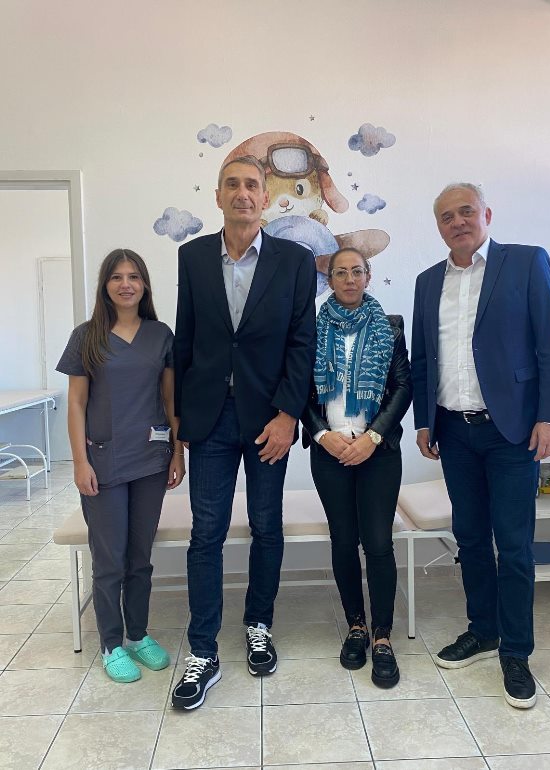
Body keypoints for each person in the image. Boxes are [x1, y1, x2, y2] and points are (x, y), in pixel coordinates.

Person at [411, 183, 550, 709]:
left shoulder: (525, 263)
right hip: (453, 431)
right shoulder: (428, 281)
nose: (457, 222)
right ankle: (483, 630)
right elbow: (422, 357)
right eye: (446, 216)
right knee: (471, 538)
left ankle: (517, 653)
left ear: (487, 214)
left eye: (466, 212)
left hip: (512, 432)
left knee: (515, 545)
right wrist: (424, 421)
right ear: (438, 226)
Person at [171, 155, 317, 710]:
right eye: (232, 184)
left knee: (265, 525)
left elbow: (301, 343)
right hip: (209, 418)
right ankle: (202, 650)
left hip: (268, 420)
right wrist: (181, 421)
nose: (242, 193)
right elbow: (186, 340)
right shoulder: (192, 257)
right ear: (218, 196)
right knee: (205, 533)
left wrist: (288, 415)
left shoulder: (295, 261)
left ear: (265, 195)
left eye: (252, 184)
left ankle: (259, 625)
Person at [57, 248, 185, 683]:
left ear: (145, 284)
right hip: (104, 461)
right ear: (105, 285)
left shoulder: (160, 335)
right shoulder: (86, 336)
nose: (126, 284)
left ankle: (138, 634)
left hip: (151, 460)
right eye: (116, 277)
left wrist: (178, 453)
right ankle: (111, 643)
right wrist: (80, 462)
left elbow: (170, 400)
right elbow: (76, 404)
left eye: (133, 276)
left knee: (139, 558)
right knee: (109, 559)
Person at [301, 248, 412, 688]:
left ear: (369, 276)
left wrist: (373, 437)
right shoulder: (311, 329)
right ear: (329, 280)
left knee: (378, 543)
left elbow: (403, 386)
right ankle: (356, 627)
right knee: (344, 541)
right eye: (340, 272)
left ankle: (382, 635)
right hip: (328, 450)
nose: (349, 279)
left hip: (378, 451)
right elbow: (299, 388)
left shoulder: (390, 326)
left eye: (357, 271)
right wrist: (321, 434)